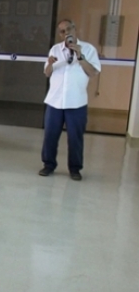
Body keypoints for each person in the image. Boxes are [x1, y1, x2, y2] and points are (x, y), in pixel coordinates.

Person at [40, 19, 101, 181]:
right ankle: (48, 165)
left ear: (75, 29)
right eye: (62, 31)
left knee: (75, 137)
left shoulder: (88, 49)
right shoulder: (55, 49)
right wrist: (50, 64)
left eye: (68, 29)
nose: (66, 33)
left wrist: (80, 56)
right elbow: (47, 73)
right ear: (59, 35)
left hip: (76, 102)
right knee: (50, 135)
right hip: (55, 101)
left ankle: (75, 169)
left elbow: (93, 72)